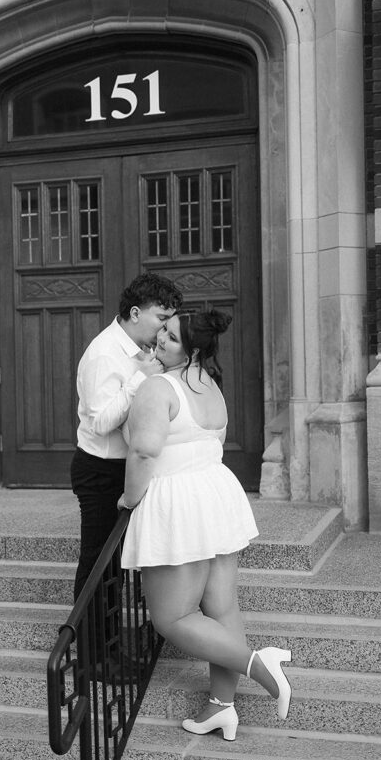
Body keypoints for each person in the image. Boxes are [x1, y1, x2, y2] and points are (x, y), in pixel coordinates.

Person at [118, 309, 292, 738]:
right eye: (162, 331)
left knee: (171, 618)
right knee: (221, 607)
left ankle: (258, 664)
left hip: (178, 500)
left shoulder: (159, 388)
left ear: (192, 348)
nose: (160, 340)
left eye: (171, 338)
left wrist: (128, 499)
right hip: (214, 493)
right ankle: (221, 705)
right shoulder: (209, 384)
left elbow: (143, 453)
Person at [71, 272, 182, 605]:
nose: (163, 330)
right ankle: (93, 654)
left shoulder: (140, 351)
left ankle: (113, 648)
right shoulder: (104, 353)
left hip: (126, 467)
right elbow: (101, 421)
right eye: (160, 319)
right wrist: (139, 380)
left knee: (117, 565)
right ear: (135, 313)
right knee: (99, 563)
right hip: (100, 470)